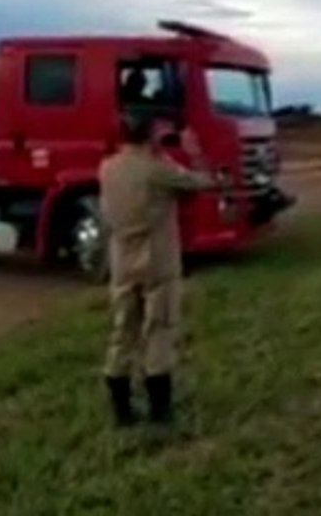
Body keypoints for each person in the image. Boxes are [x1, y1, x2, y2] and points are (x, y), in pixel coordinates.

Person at [99, 113, 216, 426]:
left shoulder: (108, 168)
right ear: (150, 135)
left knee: (123, 330)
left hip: (122, 260)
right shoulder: (158, 169)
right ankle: (160, 410)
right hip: (157, 261)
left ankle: (121, 409)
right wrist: (192, 151)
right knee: (159, 330)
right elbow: (203, 182)